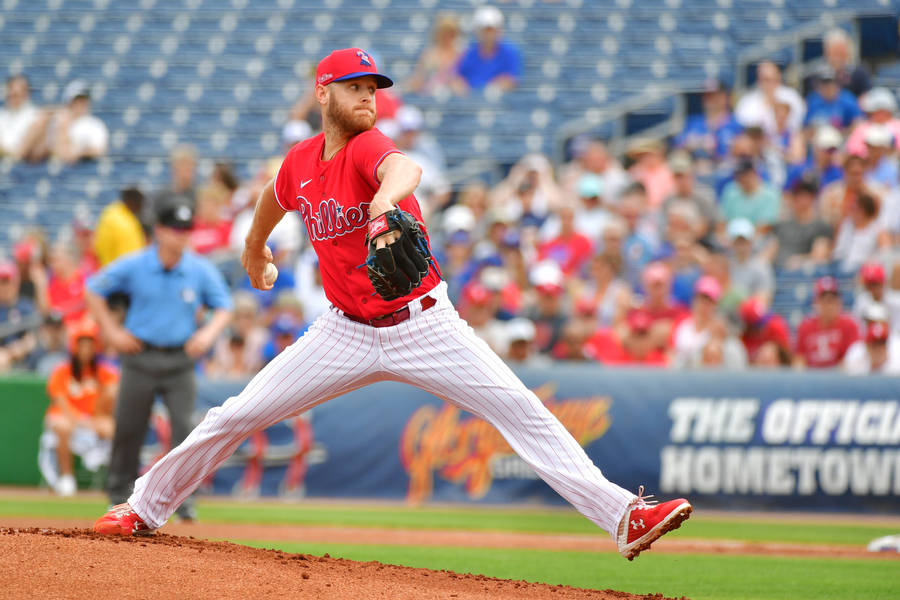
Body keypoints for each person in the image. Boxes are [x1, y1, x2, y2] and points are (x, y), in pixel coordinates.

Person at [92, 48, 692, 560]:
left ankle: (624, 517)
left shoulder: (368, 147)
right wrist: (254, 249)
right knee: (235, 414)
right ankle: (144, 507)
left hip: (424, 324)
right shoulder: (301, 161)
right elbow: (275, 197)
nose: (368, 97)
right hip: (343, 332)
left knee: (521, 410)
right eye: (354, 87)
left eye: (374, 88)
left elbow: (405, 167)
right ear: (322, 94)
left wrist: (384, 202)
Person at [85, 202, 233, 521]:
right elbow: (93, 289)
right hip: (140, 356)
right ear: (160, 231)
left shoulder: (198, 268)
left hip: (179, 359)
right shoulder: (135, 265)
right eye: (177, 230)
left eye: (187, 230)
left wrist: (207, 335)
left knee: (185, 430)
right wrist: (111, 331)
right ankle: (118, 497)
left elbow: (224, 306)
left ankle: (179, 499)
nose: (183, 237)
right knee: (129, 428)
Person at [40, 320, 117, 497]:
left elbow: (110, 401)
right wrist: (83, 422)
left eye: (89, 346)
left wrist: (95, 419)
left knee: (113, 428)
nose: (85, 350)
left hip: (91, 420)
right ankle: (67, 477)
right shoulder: (61, 371)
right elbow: (61, 405)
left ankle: (116, 480)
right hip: (67, 420)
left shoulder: (104, 372)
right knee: (62, 425)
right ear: (74, 347)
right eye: (81, 346)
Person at [452, 6, 522, 95]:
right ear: (478, 31)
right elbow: (457, 77)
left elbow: (511, 81)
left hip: (501, 104)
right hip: (471, 103)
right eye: (485, 30)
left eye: (491, 30)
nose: (489, 34)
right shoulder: (468, 53)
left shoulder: (510, 52)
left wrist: (492, 88)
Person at [767, 176, 833, 269]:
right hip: (778, 272)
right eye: (799, 195)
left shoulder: (821, 226)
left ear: (813, 199)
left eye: (807, 196)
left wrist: (801, 260)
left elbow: (819, 256)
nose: (803, 200)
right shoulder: (782, 224)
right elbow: (771, 249)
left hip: (803, 275)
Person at [794, 276, 859, 369]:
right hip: (811, 378)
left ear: (839, 301)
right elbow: (799, 359)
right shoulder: (805, 326)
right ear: (816, 302)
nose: (829, 305)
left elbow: (853, 358)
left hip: (840, 379)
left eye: (832, 300)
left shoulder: (849, 325)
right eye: (824, 300)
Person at [674, 77, 742, 162]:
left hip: (724, 171)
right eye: (706, 96)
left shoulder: (735, 125)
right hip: (696, 168)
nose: (709, 100)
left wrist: (716, 147)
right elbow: (678, 146)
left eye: (713, 96)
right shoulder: (693, 122)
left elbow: (741, 154)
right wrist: (690, 145)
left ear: (724, 97)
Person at [405, 12, 463, 96]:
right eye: (444, 32)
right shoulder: (429, 55)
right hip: (430, 94)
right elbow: (419, 77)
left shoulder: (461, 55)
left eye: (450, 33)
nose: (446, 36)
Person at [50, 80, 109, 164]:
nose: (81, 104)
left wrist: (78, 153)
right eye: (77, 100)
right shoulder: (57, 121)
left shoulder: (95, 124)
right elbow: (56, 152)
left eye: (84, 100)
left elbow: (99, 150)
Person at [0, 259, 39, 372]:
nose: (4, 287)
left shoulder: (26, 307)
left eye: (7, 282)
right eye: (2, 283)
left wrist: (13, 351)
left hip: (23, 358)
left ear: (16, 283)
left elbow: (33, 338)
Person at [720, 158, 781, 229]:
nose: (742, 178)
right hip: (731, 234)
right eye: (739, 175)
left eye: (745, 174)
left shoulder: (770, 194)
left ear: (754, 173)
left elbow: (766, 225)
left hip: (759, 236)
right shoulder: (730, 191)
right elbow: (722, 221)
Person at [93, 187, 148, 267]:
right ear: (133, 202)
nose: (141, 207)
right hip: (120, 275)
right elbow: (131, 261)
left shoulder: (110, 213)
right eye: (140, 203)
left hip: (106, 269)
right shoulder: (126, 225)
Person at [803, 66, 862, 132]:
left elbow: (858, 122)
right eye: (824, 84)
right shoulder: (812, 100)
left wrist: (844, 133)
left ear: (837, 84)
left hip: (842, 138)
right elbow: (805, 126)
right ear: (818, 86)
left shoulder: (848, 100)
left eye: (830, 83)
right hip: (817, 138)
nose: (828, 87)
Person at [0, 74, 42, 161]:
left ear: (26, 93)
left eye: (17, 94)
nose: (14, 97)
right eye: (11, 93)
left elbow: (20, 153)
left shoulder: (36, 116)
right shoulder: (2, 114)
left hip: (23, 166)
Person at [821, 28, 871, 98]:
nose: (837, 57)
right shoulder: (820, 75)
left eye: (840, 52)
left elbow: (865, 97)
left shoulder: (859, 73)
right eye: (834, 52)